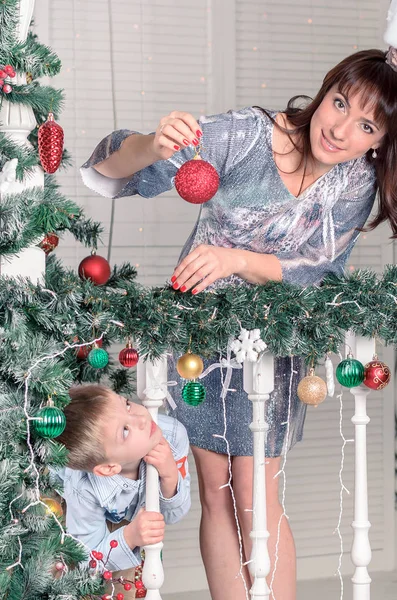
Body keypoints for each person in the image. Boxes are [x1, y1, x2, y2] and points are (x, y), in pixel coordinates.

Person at [80, 49, 397, 600]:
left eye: (366, 124)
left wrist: (235, 260)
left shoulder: (355, 183)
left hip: (271, 347)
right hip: (198, 341)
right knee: (213, 488)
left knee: (256, 493)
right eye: (340, 103)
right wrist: (155, 146)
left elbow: (317, 270)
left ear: (379, 141)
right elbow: (109, 170)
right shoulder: (249, 136)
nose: (341, 128)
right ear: (325, 92)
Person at [49, 384, 191, 597]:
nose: (141, 419)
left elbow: (175, 514)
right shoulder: (83, 487)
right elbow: (87, 557)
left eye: (126, 404)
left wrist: (170, 475)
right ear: (108, 468)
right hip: (63, 498)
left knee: (132, 577)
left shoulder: (172, 434)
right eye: (125, 430)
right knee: (67, 571)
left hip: (124, 505)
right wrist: (130, 537)